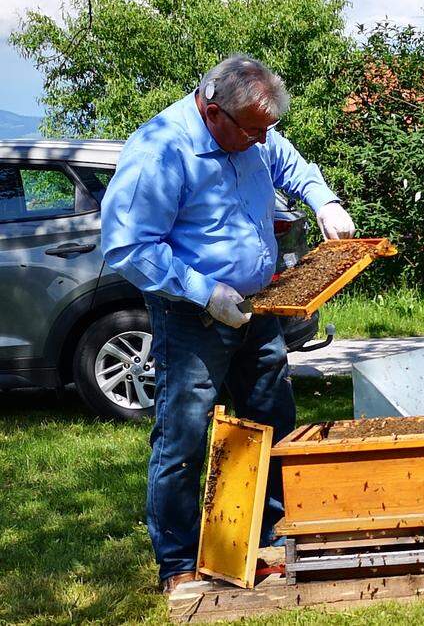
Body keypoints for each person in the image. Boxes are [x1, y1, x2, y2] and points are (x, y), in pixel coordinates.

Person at [101, 54, 356, 593]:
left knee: (272, 421)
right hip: (191, 315)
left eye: (269, 130)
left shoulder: (252, 130)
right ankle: (177, 564)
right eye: (253, 131)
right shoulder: (160, 152)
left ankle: (272, 539)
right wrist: (205, 291)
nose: (264, 142)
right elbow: (127, 246)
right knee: (183, 439)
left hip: (260, 306)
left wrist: (323, 200)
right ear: (213, 113)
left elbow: (291, 164)